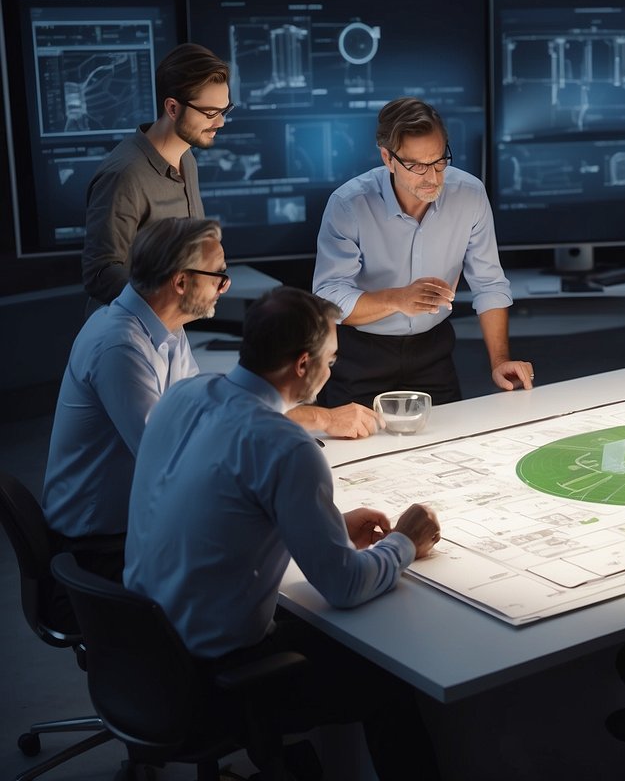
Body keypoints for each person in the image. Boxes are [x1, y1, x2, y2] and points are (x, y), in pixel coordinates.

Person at [124, 286, 442, 779]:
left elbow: (220, 508)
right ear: (302, 366)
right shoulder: (288, 445)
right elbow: (344, 587)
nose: (333, 369)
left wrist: (330, 524)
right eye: (331, 358)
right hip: (216, 678)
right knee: (391, 677)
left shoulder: (182, 396)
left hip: (142, 651)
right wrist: (405, 541)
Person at [44, 217, 383, 582]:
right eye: (219, 275)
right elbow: (175, 461)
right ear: (180, 281)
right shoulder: (119, 346)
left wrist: (322, 420)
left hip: (140, 527)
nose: (225, 286)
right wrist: (300, 506)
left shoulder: (165, 331)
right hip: (102, 549)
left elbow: (216, 421)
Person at [313, 96, 531, 407]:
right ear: (388, 159)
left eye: (439, 161)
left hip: (433, 352)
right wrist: (397, 299)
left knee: (450, 447)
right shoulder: (349, 204)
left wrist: (500, 361)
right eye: (416, 165)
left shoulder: (469, 195)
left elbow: (489, 284)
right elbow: (328, 296)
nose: (432, 177)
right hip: (358, 356)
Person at [82, 44, 231, 304]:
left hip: (169, 332)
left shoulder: (187, 158)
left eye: (224, 110)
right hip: (129, 336)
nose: (220, 122)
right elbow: (99, 273)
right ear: (173, 109)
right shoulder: (125, 175)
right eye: (210, 113)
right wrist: (164, 300)